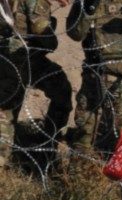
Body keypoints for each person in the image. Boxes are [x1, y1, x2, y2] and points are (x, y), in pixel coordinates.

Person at [66, 0, 122, 154]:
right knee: (85, 126)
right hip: (94, 71)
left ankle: (116, 170)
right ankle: (80, 170)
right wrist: (87, 13)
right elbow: (75, 34)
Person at [0, 0, 72, 168]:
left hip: (20, 56)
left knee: (61, 89)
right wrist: (52, 40)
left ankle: (45, 142)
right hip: (20, 57)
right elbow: (41, 30)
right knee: (7, 111)